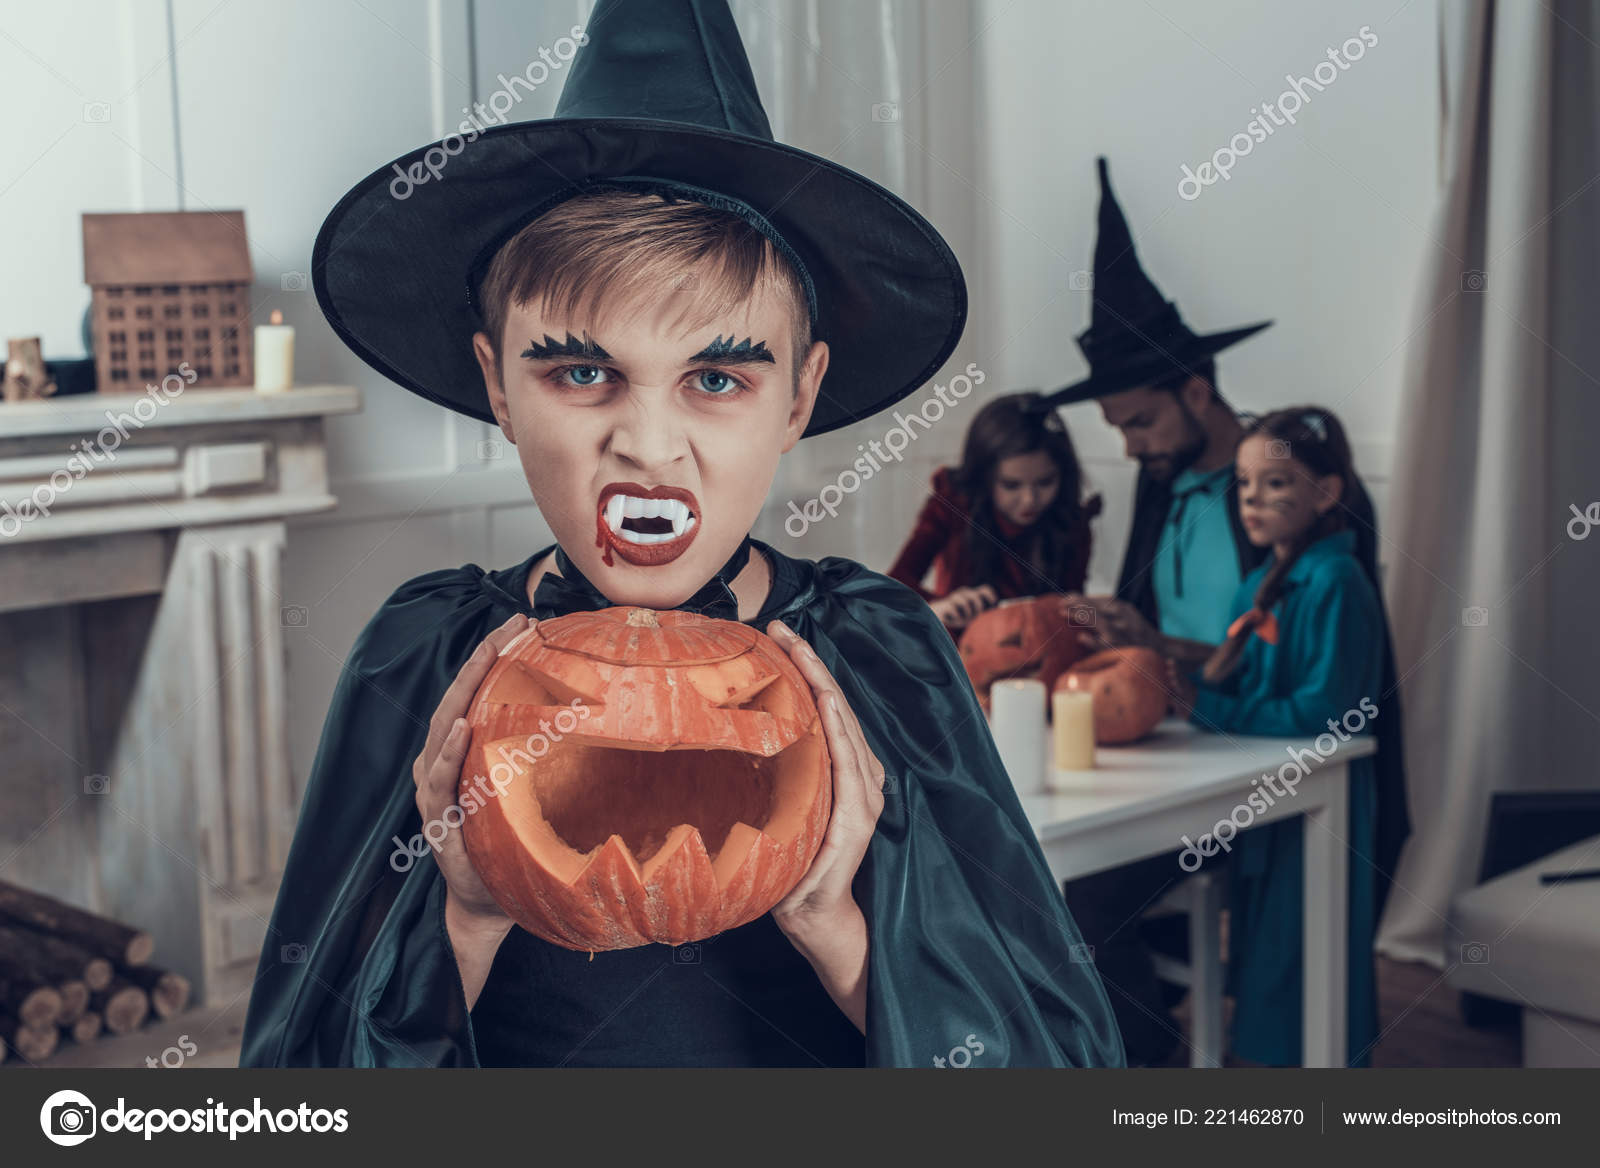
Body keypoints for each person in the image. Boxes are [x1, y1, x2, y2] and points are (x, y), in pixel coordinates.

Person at [239, 0, 1122, 1069]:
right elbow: (297, 1093)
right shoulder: (426, 653)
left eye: (715, 377)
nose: (649, 447)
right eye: (580, 371)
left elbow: (1054, 1072)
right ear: (496, 387)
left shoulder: (880, 651)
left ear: (797, 398)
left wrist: (840, 931)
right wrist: (462, 916)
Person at [1028, 158, 1409, 1065]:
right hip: (1181, 763)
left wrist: (1163, 651)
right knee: (1070, 885)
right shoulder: (1161, 490)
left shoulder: (1302, 509)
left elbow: (1299, 670)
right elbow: (1149, 638)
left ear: (1197, 392)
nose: (1130, 445)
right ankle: (1146, 1059)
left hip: (1282, 770)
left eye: (1140, 423)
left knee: (1279, 966)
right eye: (1117, 430)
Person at [1167, 407, 1383, 1066]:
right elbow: (1236, 689)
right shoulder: (1252, 591)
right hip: (1266, 796)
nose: (1255, 500)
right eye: (1246, 483)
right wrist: (1183, 690)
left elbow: (1326, 714)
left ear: (1326, 491)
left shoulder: (1336, 583)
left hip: (1323, 801)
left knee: (1309, 944)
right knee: (1263, 947)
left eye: (1277, 484)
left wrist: (1212, 708)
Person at [887, 391, 1102, 634]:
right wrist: (936, 608)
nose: (1029, 499)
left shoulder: (1072, 521)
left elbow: (1070, 609)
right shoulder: (952, 505)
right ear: (984, 478)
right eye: (1011, 485)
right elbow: (894, 585)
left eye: (1045, 482)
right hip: (958, 650)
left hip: (1038, 649)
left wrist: (1090, 614)